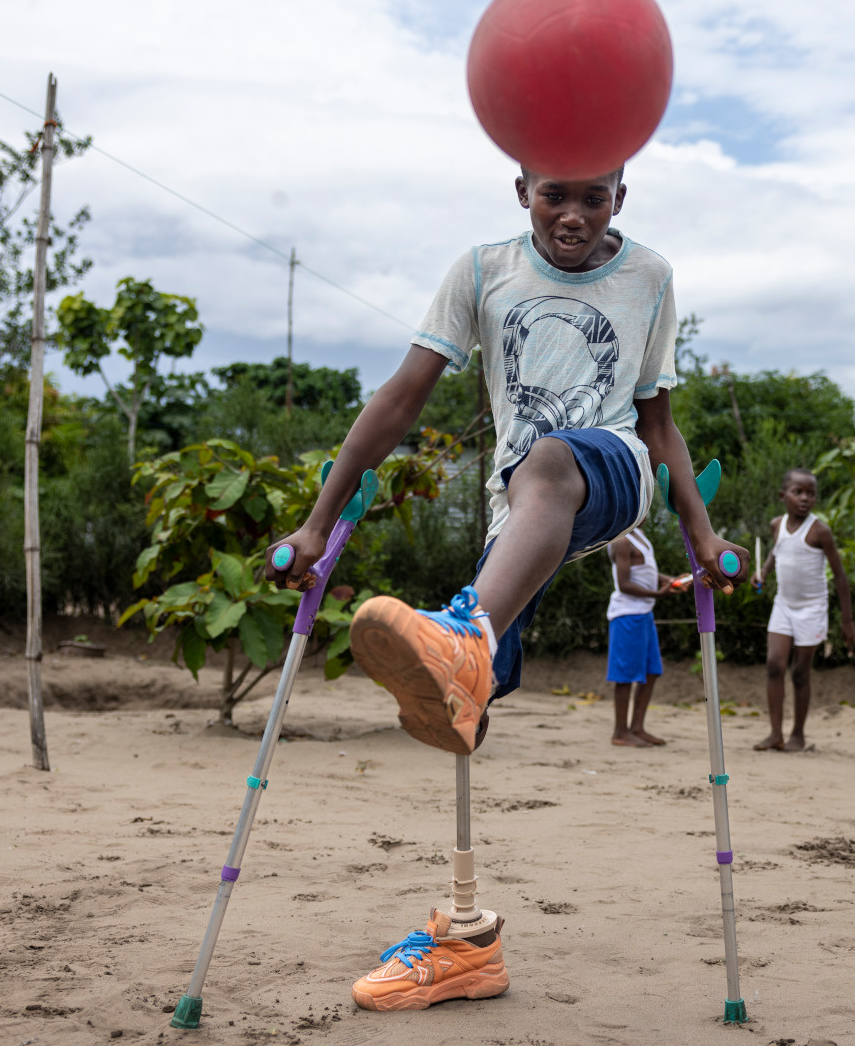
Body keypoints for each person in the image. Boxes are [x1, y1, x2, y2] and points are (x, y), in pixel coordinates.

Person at [263, 163, 748, 1012]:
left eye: (594, 198)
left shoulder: (650, 276)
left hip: (608, 470)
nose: (573, 215)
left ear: (620, 201)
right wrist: (314, 522)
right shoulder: (482, 270)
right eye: (555, 194)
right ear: (520, 187)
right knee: (463, 715)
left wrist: (701, 534)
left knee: (554, 458)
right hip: (516, 507)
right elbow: (402, 396)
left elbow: (659, 420)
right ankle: (467, 944)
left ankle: (465, 637)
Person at [750, 468, 855, 751]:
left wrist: (847, 622)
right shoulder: (777, 525)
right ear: (783, 496)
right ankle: (775, 733)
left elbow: (839, 576)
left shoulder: (819, 530)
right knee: (774, 665)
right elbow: (775, 554)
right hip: (784, 605)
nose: (805, 498)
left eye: (810, 493)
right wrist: (763, 572)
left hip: (812, 609)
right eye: (798, 492)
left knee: (800, 672)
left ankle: (798, 735)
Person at [605, 523, 685, 747]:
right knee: (625, 675)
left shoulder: (639, 535)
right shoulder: (621, 539)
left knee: (651, 671)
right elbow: (624, 585)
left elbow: (646, 570)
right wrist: (658, 595)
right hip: (627, 615)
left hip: (644, 614)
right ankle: (620, 732)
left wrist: (670, 580)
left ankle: (637, 727)